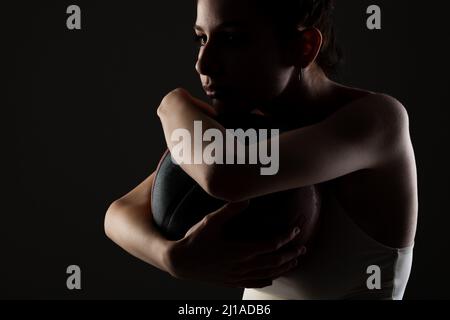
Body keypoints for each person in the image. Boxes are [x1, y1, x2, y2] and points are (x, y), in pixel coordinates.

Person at [104, 0, 418, 299]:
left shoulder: (377, 123)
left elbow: (225, 175)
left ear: (303, 46)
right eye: (201, 38)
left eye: (231, 38)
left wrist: (173, 105)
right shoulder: (245, 127)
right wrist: (171, 257)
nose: (203, 63)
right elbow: (120, 212)